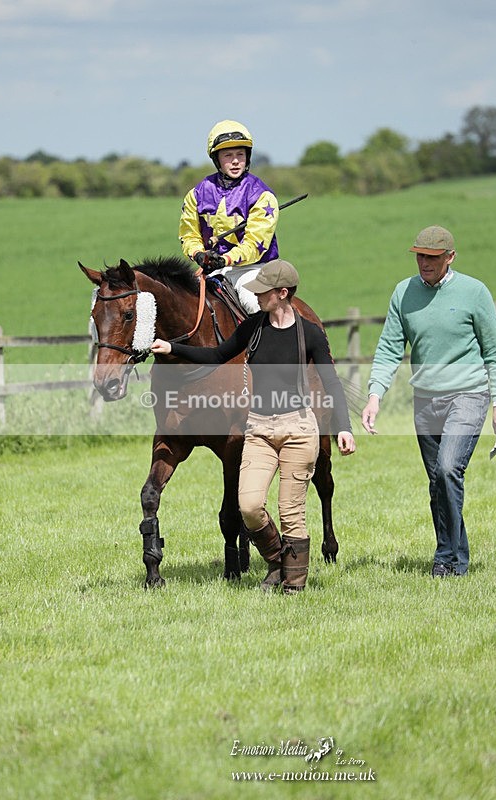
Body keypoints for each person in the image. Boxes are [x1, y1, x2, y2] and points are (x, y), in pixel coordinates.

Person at [151, 259, 356, 593]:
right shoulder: (253, 328)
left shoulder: (311, 334)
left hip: (298, 428)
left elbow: (331, 383)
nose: (257, 296)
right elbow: (217, 355)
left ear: (283, 293)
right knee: (249, 506)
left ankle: (293, 585)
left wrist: (343, 427)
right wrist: (172, 347)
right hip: (259, 428)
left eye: (263, 292)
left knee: (291, 514)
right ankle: (277, 561)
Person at [361, 225, 496, 578]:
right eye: (420, 256)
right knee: (437, 482)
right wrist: (374, 395)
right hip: (425, 400)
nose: (424, 262)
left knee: (448, 468)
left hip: (468, 395)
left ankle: (450, 558)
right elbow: (390, 347)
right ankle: (450, 556)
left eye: (432, 257)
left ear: (450, 257)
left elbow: (495, 353)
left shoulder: (474, 292)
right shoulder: (403, 293)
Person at [178, 119, 279, 314]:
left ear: (247, 157)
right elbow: (189, 235)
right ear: (217, 159)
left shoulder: (262, 195)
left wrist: (225, 260)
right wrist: (199, 254)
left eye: (240, 154)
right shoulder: (196, 194)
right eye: (228, 155)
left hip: (252, 270)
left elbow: (255, 244)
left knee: (255, 306)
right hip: (211, 271)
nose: (235, 161)